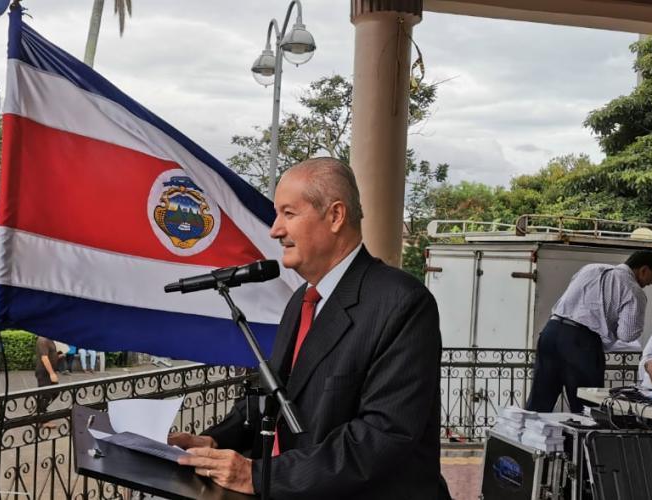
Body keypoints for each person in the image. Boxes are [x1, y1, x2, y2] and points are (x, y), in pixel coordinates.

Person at [169, 158, 450, 499]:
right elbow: (275, 395)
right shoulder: (303, 299)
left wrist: (257, 476)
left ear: (335, 216)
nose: (275, 229)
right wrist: (216, 440)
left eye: (288, 213)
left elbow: (381, 436)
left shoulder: (403, 303)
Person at [527, 250, 652, 413]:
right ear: (643, 270)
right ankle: (583, 439)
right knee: (587, 405)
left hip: (551, 331)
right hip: (582, 343)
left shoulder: (590, 269)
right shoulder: (634, 290)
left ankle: (527, 434)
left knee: (540, 400)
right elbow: (628, 334)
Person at [35, 336, 61, 427]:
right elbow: (44, 358)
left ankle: (41, 411)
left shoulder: (50, 339)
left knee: (55, 392)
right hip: (44, 372)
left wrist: (59, 355)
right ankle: (42, 420)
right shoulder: (42, 340)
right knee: (45, 395)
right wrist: (51, 373)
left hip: (49, 372)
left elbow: (51, 354)